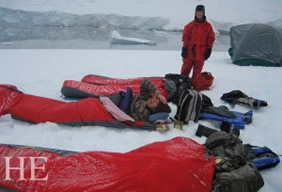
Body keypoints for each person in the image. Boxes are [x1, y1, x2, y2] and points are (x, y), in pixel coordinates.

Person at [180, 5, 215, 85]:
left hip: (201, 52)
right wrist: (184, 48)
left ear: (203, 13)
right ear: (195, 13)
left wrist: (209, 49)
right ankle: (182, 85)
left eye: (200, 12)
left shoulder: (208, 26)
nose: (199, 14)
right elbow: (185, 37)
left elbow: (211, 38)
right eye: (197, 12)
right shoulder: (189, 26)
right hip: (190, 51)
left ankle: (194, 86)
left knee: (197, 73)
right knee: (185, 71)